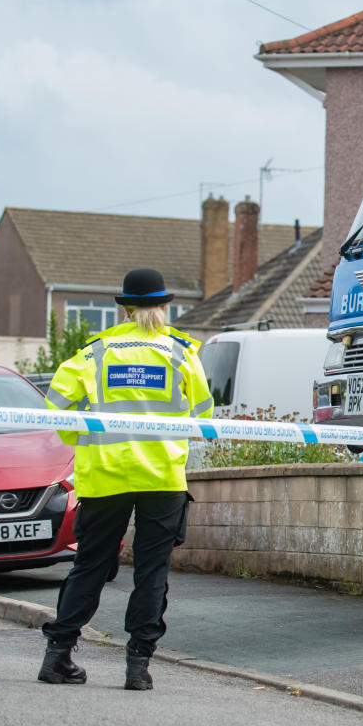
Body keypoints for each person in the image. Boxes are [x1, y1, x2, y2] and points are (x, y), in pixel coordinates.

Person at [37, 268, 213, 691]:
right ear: (165, 306)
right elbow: (203, 415)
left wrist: (83, 438)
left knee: (91, 566)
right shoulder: (182, 352)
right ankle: (138, 667)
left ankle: (58, 655)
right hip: (161, 476)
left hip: (105, 475)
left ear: (125, 306)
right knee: (151, 573)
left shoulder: (95, 352)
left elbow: (53, 406)